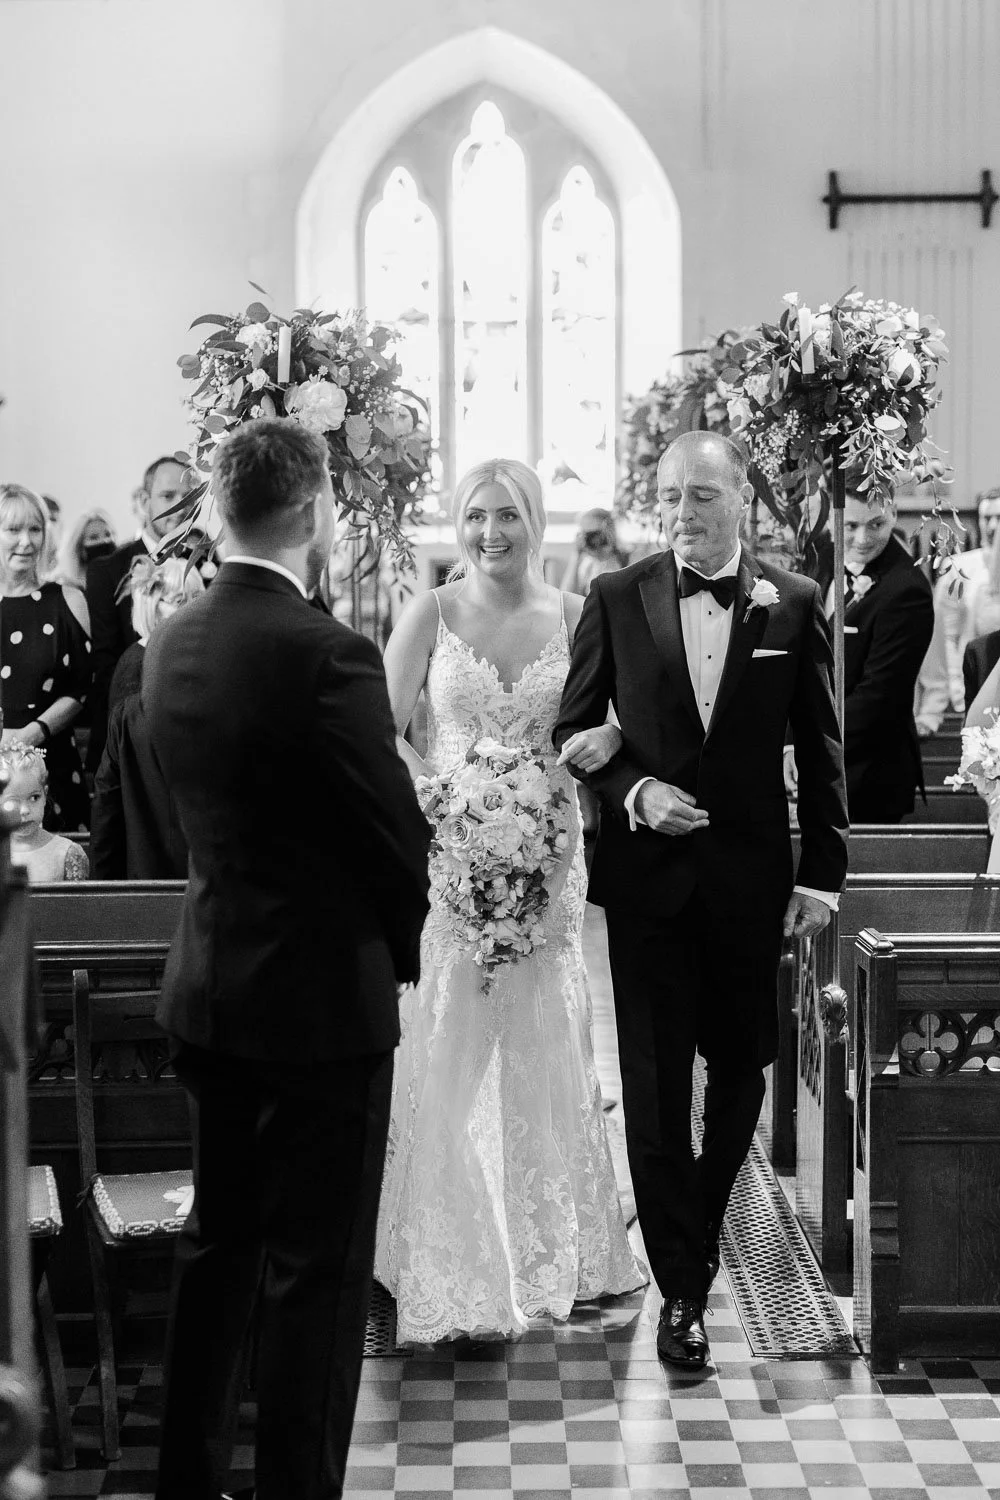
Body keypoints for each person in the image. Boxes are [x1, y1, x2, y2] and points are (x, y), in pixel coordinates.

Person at [145, 419, 430, 1500]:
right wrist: (395, 954)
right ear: (313, 510)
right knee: (315, 1277)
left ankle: (187, 1478)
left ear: (222, 506)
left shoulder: (173, 639)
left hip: (209, 988)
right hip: (318, 1007)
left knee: (218, 1251)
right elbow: (395, 833)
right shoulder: (327, 655)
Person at [554, 431, 849, 1369]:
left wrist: (820, 876)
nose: (683, 511)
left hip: (750, 882)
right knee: (647, 1079)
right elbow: (572, 724)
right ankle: (684, 1283)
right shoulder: (616, 595)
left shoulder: (793, 604)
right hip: (647, 885)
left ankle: (699, 1230)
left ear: (742, 501)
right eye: (670, 494)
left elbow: (825, 746)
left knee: (740, 1073)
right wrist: (635, 792)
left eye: (704, 496)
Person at [375, 457, 646, 1346]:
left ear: (538, 522)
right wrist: (436, 788)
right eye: (477, 517)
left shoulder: (577, 615)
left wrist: (601, 744)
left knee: (542, 1035)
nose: (492, 533)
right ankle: (449, 1245)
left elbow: (618, 719)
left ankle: (554, 1248)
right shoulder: (431, 612)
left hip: (548, 855)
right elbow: (383, 728)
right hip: (454, 851)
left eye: (509, 516)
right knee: (454, 1034)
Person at [790, 482, 933, 823]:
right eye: (851, 525)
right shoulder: (819, 556)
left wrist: (805, 744)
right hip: (811, 761)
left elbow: (878, 699)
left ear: (894, 514)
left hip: (868, 774)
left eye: (876, 524)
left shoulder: (907, 590)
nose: (862, 539)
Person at [90, 557, 204, 880]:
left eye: (200, 598)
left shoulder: (186, 661)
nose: (195, 609)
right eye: (181, 601)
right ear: (153, 606)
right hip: (152, 856)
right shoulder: (137, 671)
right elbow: (117, 786)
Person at [86, 454, 194, 770]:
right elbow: (106, 665)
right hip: (130, 734)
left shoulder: (206, 565)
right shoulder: (107, 571)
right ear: (145, 499)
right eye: (168, 496)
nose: (180, 505)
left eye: (188, 496)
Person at [0, 484, 92, 831]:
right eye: (12, 530)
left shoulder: (67, 599)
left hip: (52, 766)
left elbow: (81, 690)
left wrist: (29, 735)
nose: (26, 541)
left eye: (34, 529)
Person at [915, 487, 1000, 733]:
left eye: (999, 517)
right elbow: (945, 638)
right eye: (987, 518)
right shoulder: (960, 569)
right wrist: (956, 687)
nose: (993, 526)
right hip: (973, 674)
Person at [0, 741, 89, 881]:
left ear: (45, 794)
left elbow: (77, 903)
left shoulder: (68, 854)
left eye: (34, 797)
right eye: (14, 801)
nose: (24, 810)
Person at [560, 506, 630, 595]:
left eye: (592, 534)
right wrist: (576, 555)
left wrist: (607, 552)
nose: (588, 540)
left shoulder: (626, 560)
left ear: (608, 532)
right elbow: (566, 596)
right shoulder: (588, 564)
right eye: (584, 534)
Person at [57, 509, 117, 591]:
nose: (104, 541)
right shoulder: (69, 590)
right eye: (94, 537)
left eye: (107, 534)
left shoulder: (123, 586)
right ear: (80, 549)